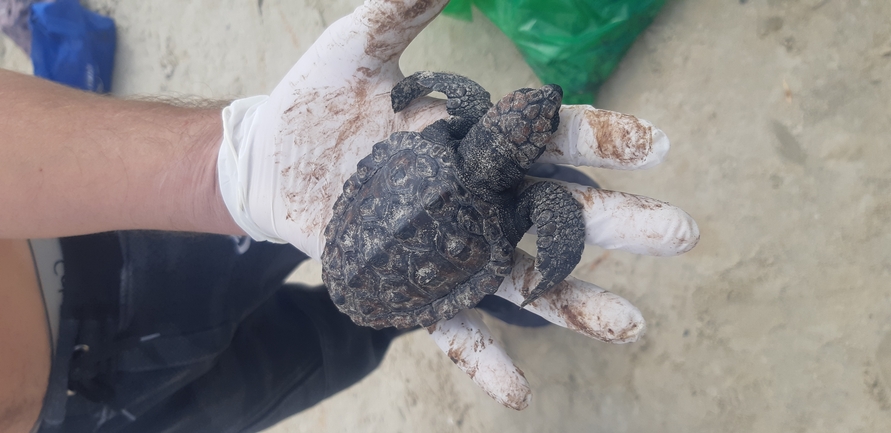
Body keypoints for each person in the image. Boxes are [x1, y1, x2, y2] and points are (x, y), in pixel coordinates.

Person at [0, 0, 699, 431]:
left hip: (82, 243)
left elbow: (434, 93)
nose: (534, 105)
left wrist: (226, 169)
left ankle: (465, 315)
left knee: (522, 261)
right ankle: (410, 324)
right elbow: (546, 224)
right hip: (102, 420)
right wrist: (552, 263)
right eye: (527, 110)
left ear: (486, 116)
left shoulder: (447, 127)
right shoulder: (492, 164)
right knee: (540, 227)